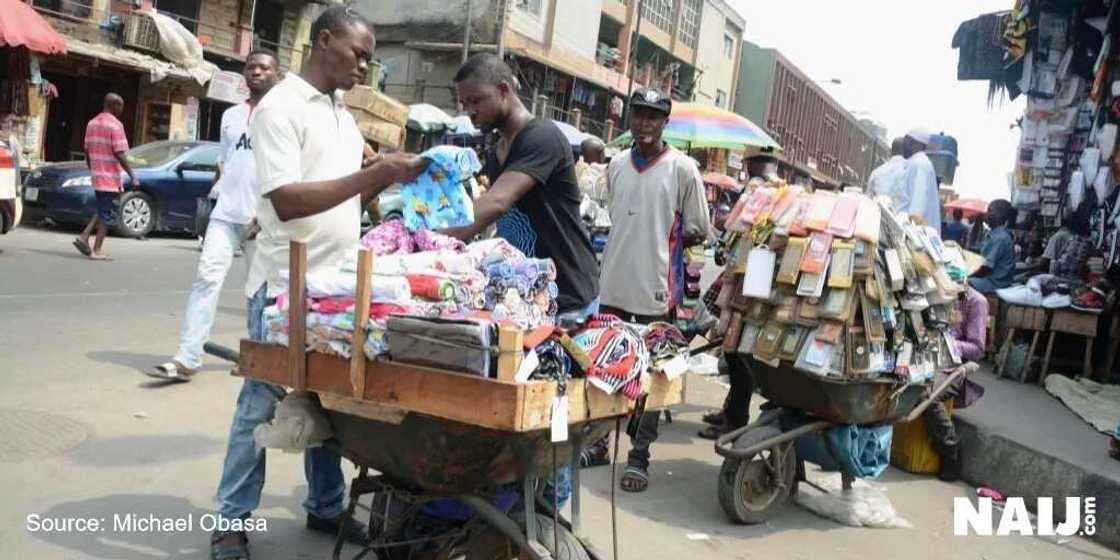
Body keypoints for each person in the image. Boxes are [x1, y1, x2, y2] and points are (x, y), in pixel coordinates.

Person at [208, 8, 426, 560]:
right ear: (324, 40)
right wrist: (375, 174)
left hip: (335, 285)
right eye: (358, 54)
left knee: (330, 397)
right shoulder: (280, 108)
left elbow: (350, 190)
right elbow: (286, 199)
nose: (364, 66)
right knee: (260, 403)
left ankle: (325, 505)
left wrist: (395, 184)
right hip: (283, 284)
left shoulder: (340, 113)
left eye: (369, 59)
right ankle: (231, 521)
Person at [599, 87, 710, 493]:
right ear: (629, 118)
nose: (644, 122)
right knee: (605, 368)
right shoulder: (615, 165)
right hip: (611, 284)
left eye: (653, 116)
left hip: (656, 292)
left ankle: (639, 455)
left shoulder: (683, 169)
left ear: (666, 123)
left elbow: (699, 229)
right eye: (638, 114)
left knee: (650, 374)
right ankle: (596, 443)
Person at [147, 50, 280, 382]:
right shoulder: (231, 116)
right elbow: (225, 160)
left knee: (260, 294)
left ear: (276, 74)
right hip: (225, 213)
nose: (257, 72)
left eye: (265, 68)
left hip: (262, 220)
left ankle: (257, 360)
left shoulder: (282, 116)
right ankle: (187, 358)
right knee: (206, 280)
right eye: (251, 67)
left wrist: (268, 215)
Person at [446, 53, 600, 320]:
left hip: (567, 297)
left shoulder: (542, 137)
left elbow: (497, 201)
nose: (469, 111)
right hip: (530, 294)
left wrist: (437, 239)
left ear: (503, 90)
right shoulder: (498, 149)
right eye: (463, 103)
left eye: (475, 101)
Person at [925, 285, 988, 482]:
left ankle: (950, 448)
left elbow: (977, 349)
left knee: (928, 396)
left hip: (952, 366)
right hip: (926, 356)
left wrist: (948, 344)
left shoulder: (976, 301)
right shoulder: (935, 290)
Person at [73, 93, 139, 260]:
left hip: (97, 176)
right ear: (114, 105)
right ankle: (96, 250)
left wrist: (92, 169)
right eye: (121, 106)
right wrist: (133, 175)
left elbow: (87, 151)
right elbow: (120, 153)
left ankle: (85, 236)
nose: (122, 110)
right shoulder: (116, 126)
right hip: (110, 178)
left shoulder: (91, 123)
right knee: (107, 215)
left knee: (103, 208)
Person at [968, 199, 1015, 294]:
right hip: (989, 280)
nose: (987, 214)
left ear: (1000, 215)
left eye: (990, 211)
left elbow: (986, 269)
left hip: (993, 283)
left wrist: (967, 275)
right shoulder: (994, 235)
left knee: (958, 283)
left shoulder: (1000, 238)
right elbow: (976, 251)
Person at [899, 128, 942, 231]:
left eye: (905, 141)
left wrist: (909, 230)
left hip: (914, 233)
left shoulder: (920, 164)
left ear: (912, 143)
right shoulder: (916, 163)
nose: (903, 145)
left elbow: (918, 203)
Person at [867, 138, 907, 202]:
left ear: (890, 151)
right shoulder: (910, 172)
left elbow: (868, 200)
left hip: (879, 210)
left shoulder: (876, 172)